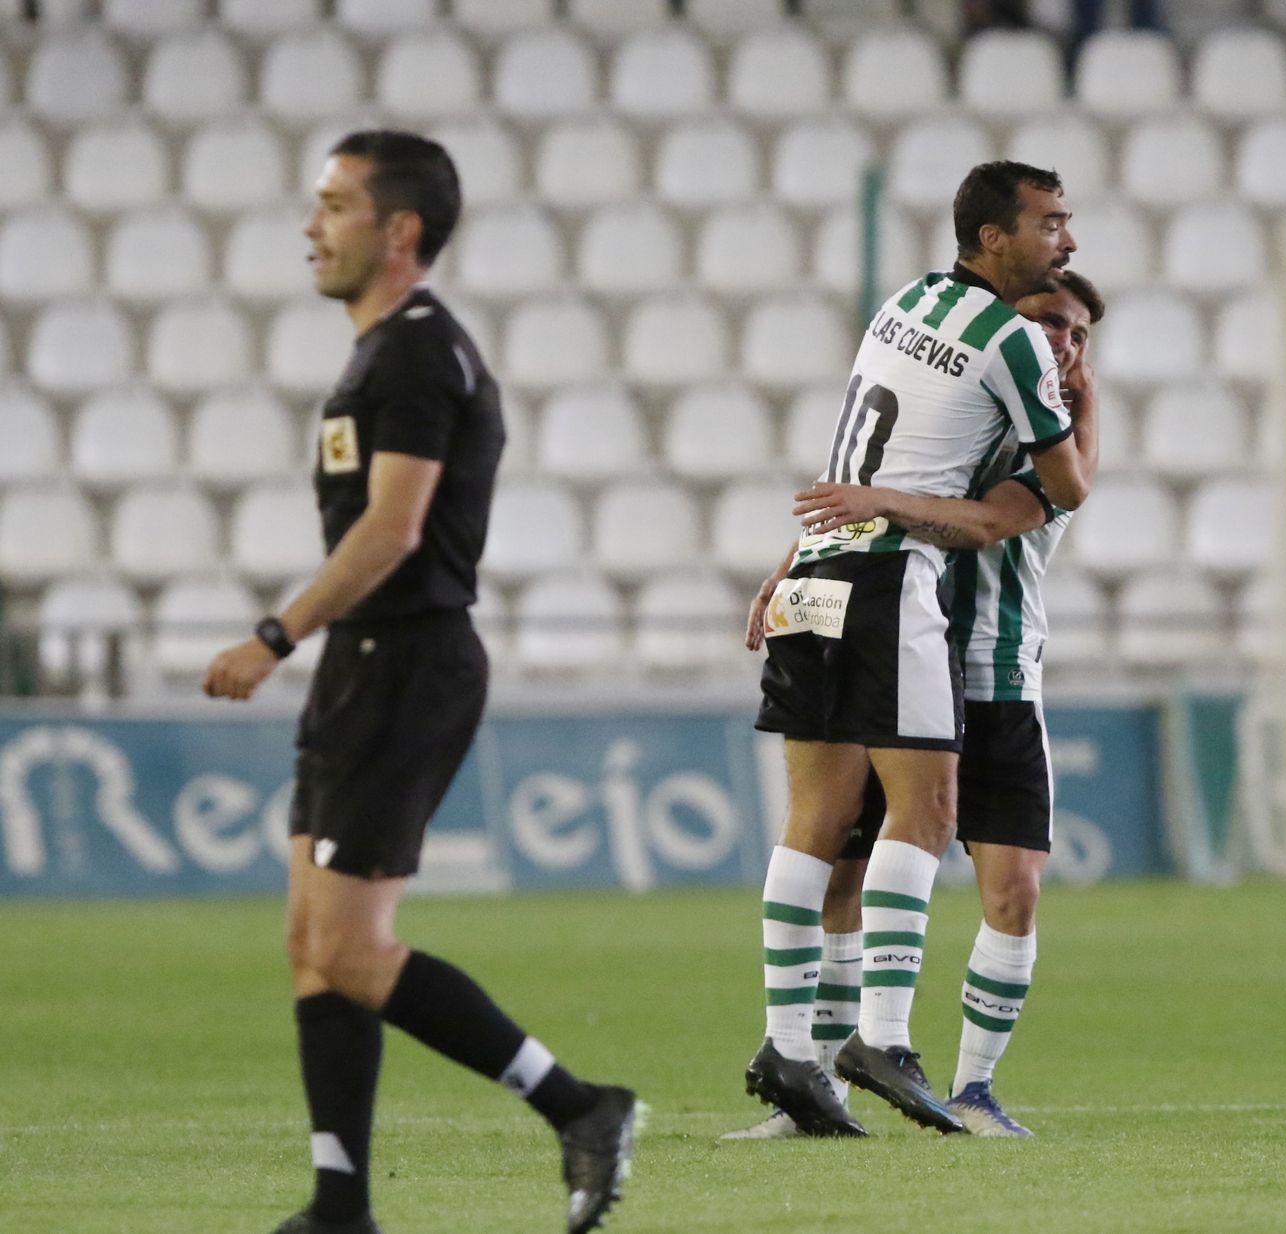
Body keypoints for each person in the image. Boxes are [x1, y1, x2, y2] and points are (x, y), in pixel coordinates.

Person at [201, 130, 637, 1234]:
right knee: (313, 943)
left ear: (400, 232)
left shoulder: (413, 354)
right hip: (370, 663)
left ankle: (579, 1105)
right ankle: (338, 1204)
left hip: (409, 661)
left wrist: (275, 632)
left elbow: (393, 533)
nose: (313, 224)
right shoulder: (380, 350)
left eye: (336, 204)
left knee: (351, 944)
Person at [744, 161, 1093, 1139]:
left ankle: (788, 1048)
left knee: (814, 820)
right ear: (992, 237)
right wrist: (1073, 409)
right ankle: (884, 1039)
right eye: (1050, 223)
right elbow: (1062, 485)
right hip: (886, 580)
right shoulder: (1011, 341)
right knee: (924, 809)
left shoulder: (905, 301)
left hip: (813, 568)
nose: (1065, 240)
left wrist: (783, 564)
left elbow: (863, 460)